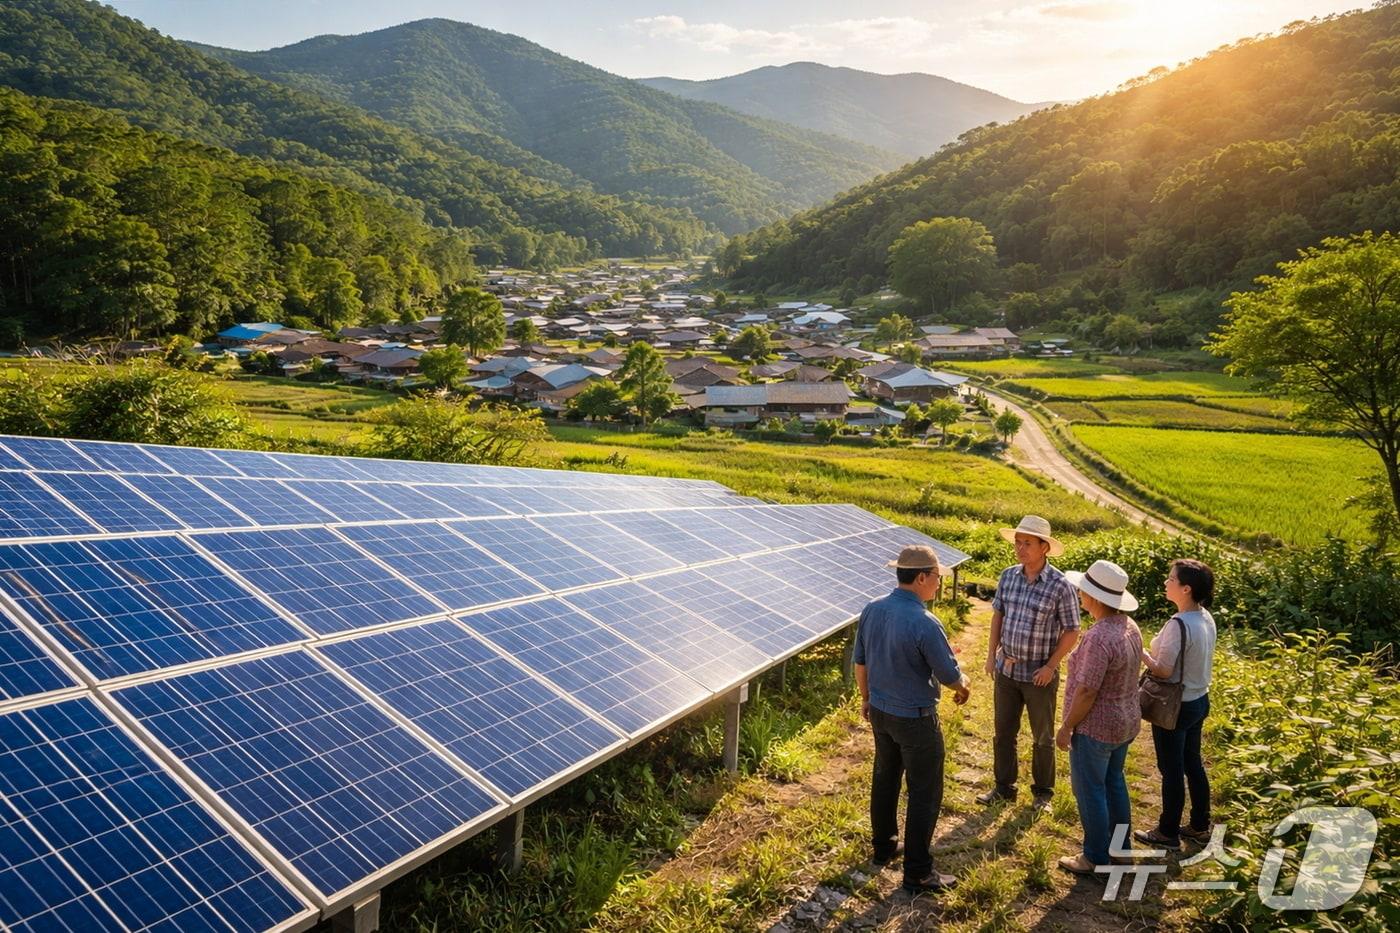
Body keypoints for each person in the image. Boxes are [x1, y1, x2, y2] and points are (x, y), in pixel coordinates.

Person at [853, 544, 971, 894]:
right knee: (924, 792)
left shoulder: (872, 609)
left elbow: (860, 662)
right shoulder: (924, 621)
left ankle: (884, 847)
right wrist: (964, 684)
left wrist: (866, 699)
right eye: (936, 577)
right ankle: (918, 872)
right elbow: (949, 676)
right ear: (921, 577)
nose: (938, 583)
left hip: (881, 711)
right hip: (916, 720)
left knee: (885, 777)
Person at [980, 515, 1081, 809]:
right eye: (1018, 543)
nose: (1020, 549)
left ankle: (1043, 792)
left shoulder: (1060, 585)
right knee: (1003, 732)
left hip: (1039, 674)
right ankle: (1003, 787)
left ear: (1044, 548)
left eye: (1027, 543)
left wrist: (1051, 666)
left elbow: (1073, 630)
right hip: (1007, 669)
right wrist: (991, 655)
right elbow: (998, 615)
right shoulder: (1008, 576)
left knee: (1043, 736)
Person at [1055, 559, 1145, 874]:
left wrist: (1067, 727)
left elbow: (1087, 691)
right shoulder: (1130, 627)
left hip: (1096, 727)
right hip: (1126, 720)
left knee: (1090, 788)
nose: (1079, 594)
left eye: (1084, 590)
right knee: (1114, 783)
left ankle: (1094, 855)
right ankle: (1121, 851)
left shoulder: (1098, 637)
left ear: (1094, 597)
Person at [1135, 559, 1217, 850]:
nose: (1165, 583)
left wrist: (1142, 653)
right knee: (1193, 763)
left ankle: (1167, 831)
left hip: (1177, 705)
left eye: (1171, 579)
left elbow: (1164, 670)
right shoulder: (1205, 617)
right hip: (1199, 699)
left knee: (1171, 769)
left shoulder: (1178, 624)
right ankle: (1199, 825)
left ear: (1186, 588)